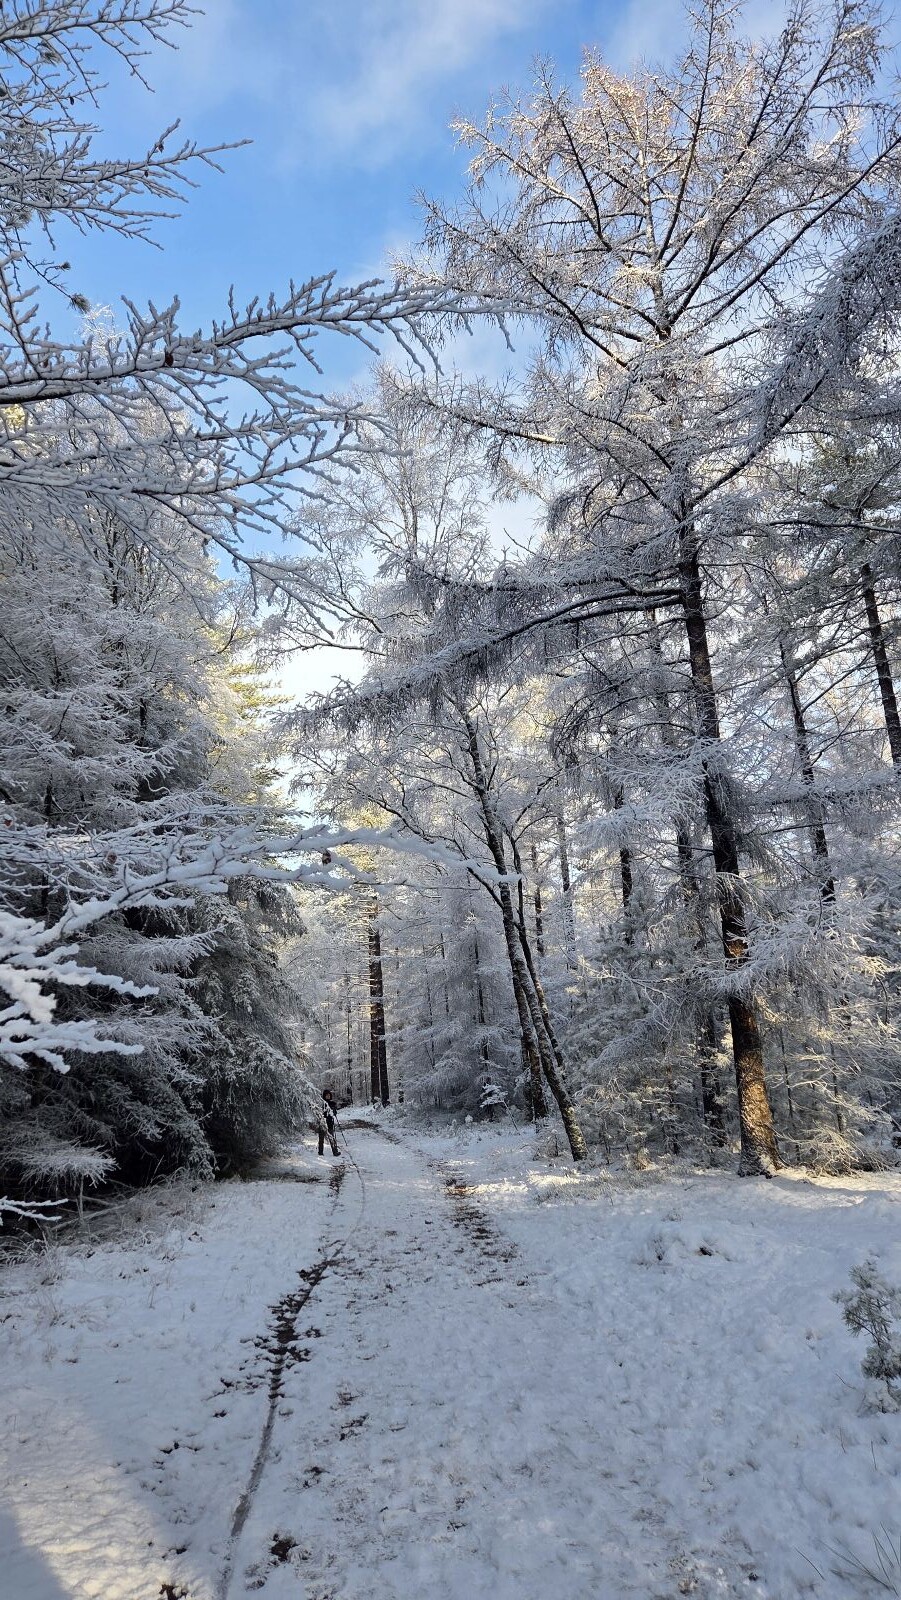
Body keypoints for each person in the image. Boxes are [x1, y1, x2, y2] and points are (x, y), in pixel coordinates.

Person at [317, 1088, 341, 1157]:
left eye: (329, 1095)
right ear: (324, 1096)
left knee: (332, 1138)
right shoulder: (322, 1103)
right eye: (327, 1095)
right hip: (323, 1122)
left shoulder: (332, 1103)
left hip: (330, 1123)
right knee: (321, 1138)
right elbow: (320, 1112)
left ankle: (335, 1151)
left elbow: (334, 1113)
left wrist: (334, 1110)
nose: (328, 1096)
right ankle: (320, 1152)